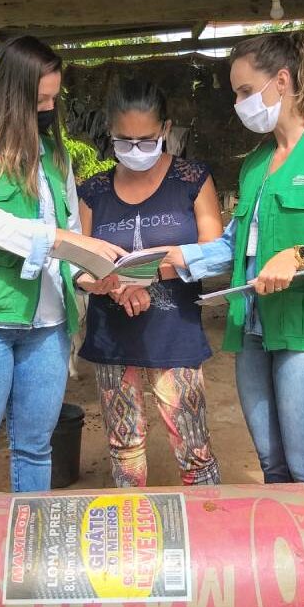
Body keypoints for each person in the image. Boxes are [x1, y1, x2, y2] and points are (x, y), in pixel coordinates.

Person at [164, 32, 304, 607]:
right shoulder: (257, 165)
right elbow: (236, 246)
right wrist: (180, 257)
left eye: (245, 91)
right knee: (275, 466)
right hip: (253, 328)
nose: (240, 104)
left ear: (282, 83)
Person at [0, 36, 124, 495]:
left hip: (46, 325)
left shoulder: (55, 155)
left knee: (36, 448)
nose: (49, 109)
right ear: (11, 93)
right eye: (40, 99)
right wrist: (62, 238)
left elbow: (71, 228)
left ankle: (27, 550)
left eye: (54, 98)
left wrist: (87, 274)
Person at [77, 79, 224, 488]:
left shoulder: (192, 178)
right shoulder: (92, 192)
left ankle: (206, 531)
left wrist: (142, 275)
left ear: (166, 129)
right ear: (110, 134)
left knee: (193, 446)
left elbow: (213, 252)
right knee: (124, 448)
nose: (135, 148)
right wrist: (106, 283)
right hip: (112, 339)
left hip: (174, 334)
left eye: (146, 139)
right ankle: (131, 533)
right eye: (125, 140)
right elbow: (78, 266)